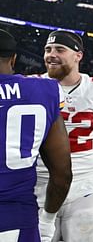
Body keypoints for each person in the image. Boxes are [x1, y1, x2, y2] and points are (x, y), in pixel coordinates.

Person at [36, 30, 93, 241]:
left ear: (78, 55)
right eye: (48, 49)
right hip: (40, 186)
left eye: (59, 49)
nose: (51, 54)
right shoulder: (33, 86)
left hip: (85, 187)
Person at [0, 29, 72, 242]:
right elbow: (63, 174)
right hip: (17, 220)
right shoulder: (43, 91)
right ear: (13, 59)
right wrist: (48, 220)